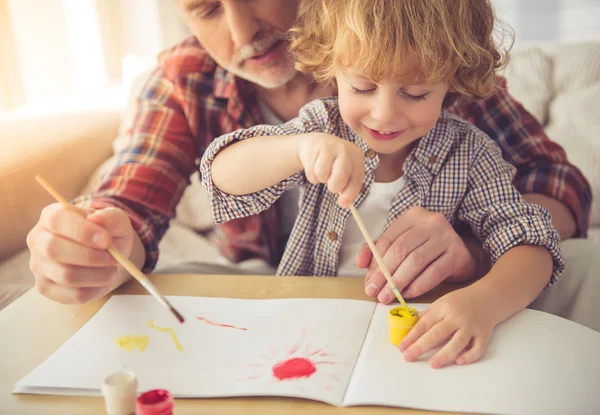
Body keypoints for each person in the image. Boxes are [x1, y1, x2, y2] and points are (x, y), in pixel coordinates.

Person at [25, 0, 597, 333]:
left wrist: (475, 255)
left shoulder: (425, 43)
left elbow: (549, 187)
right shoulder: (203, 86)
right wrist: (94, 240)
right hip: (291, 302)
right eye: (204, 7)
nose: (242, 31)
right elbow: (142, 202)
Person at [199, 0, 566, 368]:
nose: (384, 114)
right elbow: (220, 175)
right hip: (311, 333)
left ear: (454, 78)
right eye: (362, 87)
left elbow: (533, 244)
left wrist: (485, 302)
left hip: (420, 340)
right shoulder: (320, 127)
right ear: (332, 69)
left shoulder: (471, 153)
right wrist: (297, 149)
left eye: (416, 93)